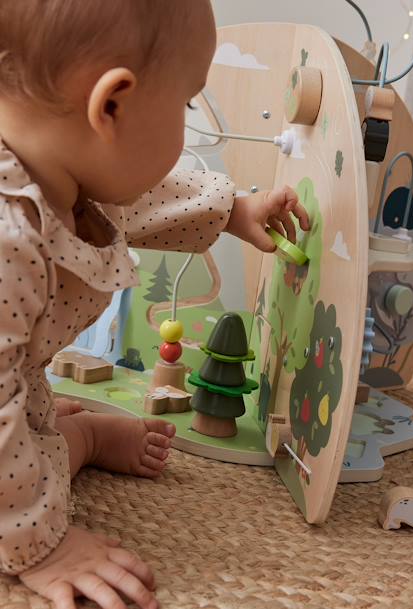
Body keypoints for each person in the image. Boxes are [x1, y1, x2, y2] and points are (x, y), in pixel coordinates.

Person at [0, 1, 309, 608]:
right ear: (111, 104)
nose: (188, 119)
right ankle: (78, 437)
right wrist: (42, 546)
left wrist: (231, 212)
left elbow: (132, 198)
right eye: (188, 103)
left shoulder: (56, 161)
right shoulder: (7, 239)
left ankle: (67, 429)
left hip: (20, 378)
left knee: (28, 428)